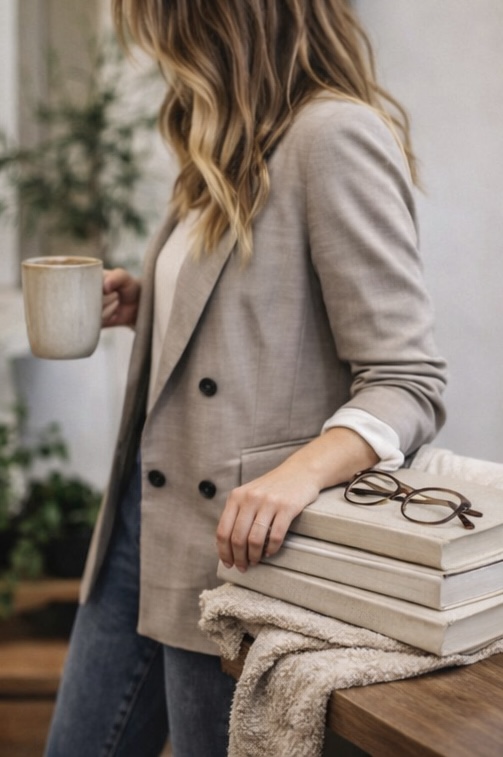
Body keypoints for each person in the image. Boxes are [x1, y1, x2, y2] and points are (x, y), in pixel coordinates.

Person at [45, 1, 447, 755]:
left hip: (240, 553)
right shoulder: (217, 147)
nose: (157, 51)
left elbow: (406, 379)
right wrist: (151, 305)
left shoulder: (332, 135)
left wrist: (297, 475)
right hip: (140, 522)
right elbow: (262, 319)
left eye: (163, 25)